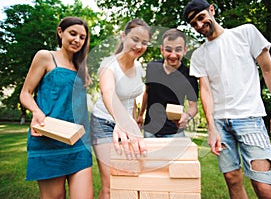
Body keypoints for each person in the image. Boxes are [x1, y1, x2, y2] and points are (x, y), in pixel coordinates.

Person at [183, 0, 271, 198]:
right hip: (220, 124)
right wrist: (211, 128)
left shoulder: (246, 33)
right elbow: (205, 91)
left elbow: (268, 69)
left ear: (212, 10)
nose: (199, 25)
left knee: (264, 187)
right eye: (193, 24)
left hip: (250, 119)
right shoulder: (198, 55)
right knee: (232, 180)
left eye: (201, 18)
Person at [19, 17, 93, 198]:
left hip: (78, 141)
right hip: (49, 138)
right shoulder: (45, 56)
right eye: (73, 34)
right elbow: (25, 93)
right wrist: (36, 112)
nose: (77, 40)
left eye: (82, 37)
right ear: (60, 32)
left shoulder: (81, 67)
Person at [90, 18, 151, 199]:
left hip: (125, 125)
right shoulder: (109, 63)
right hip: (103, 123)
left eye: (144, 42)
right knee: (111, 184)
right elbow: (107, 91)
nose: (139, 45)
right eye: (135, 39)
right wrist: (121, 121)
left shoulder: (139, 67)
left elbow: (131, 100)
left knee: (128, 179)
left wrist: (132, 123)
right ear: (123, 36)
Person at [137, 28, 198, 138]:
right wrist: (140, 115)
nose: (173, 55)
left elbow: (193, 107)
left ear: (185, 50)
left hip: (175, 132)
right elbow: (147, 92)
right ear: (162, 50)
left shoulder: (189, 76)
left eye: (178, 50)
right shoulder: (152, 67)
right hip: (150, 130)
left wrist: (187, 116)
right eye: (168, 50)